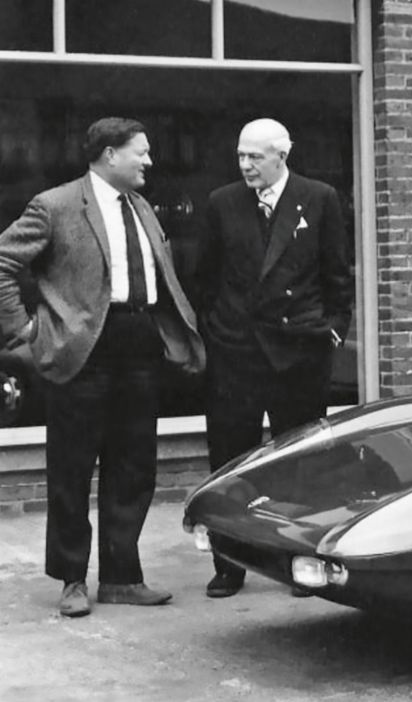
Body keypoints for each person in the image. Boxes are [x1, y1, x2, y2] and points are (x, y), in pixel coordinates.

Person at [0, 117, 205, 617]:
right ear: (110, 155)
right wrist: (23, 332)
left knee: (135, 466)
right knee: (72, 470)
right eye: (142, 152)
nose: (150, 162)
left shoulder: (142, 208)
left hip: (139, 344)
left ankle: (121, 576)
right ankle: (72, 579)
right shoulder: (55, 205)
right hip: (81, 351)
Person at [196, 118, 353, 598]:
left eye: (255, 157)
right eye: (241, 157)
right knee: (231, 463)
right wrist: (219, 336)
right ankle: (229, 565)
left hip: (298, 354)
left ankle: (300, 562)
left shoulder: (319, 197)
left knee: (301, 464)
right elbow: (205, 278)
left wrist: (331, 332)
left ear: (281, 156)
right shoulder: (222, 204)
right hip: (237, 355)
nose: (245, 166)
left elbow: (337, 276)